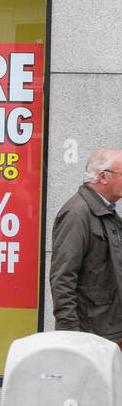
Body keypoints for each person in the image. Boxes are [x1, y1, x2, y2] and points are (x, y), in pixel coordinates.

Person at [50, 148, 122, 345]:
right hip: (91, 335)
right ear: (103, 176)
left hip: (108, 330)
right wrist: (71, 334)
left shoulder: (106, 213)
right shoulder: (77, 214)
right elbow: (62, 277)